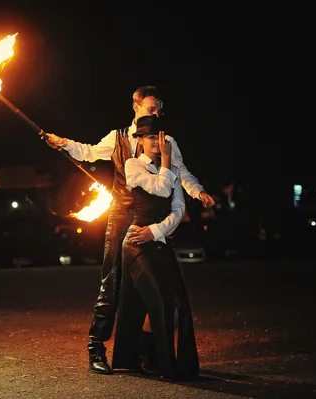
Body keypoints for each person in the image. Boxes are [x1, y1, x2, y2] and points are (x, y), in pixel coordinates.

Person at [44, 85, 214, 374]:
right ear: (136, 107)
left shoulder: (167, 141)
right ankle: (96, 348)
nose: (156, 113)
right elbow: (88, 153)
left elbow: (181, 173)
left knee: (152, 289)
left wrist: (198, 192)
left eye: (160, 110)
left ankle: (144, 351)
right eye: (151, 108)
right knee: (112, 284)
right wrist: (63, 142)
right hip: (122, 215)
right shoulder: (118, 138)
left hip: (153, 221)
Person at [111, 115, 199, 380]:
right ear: (139, 141)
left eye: (158, 137)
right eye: (149, 137)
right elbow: (161, 190)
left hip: (159, 241)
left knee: (178, 306)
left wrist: (157, 231)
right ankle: (162, 364)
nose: (155, 142)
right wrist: (166, 163)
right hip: (137, 243)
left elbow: (178, 209)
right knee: (158, 302)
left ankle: (149, 354)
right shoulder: (133, 165)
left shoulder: (170, 169)